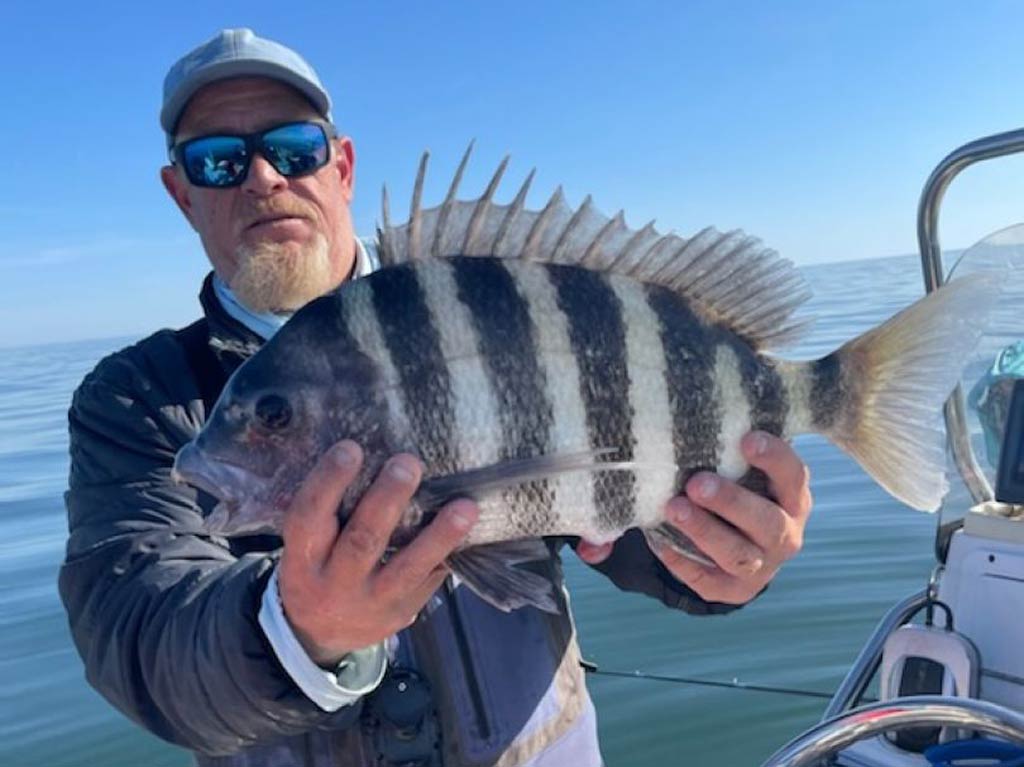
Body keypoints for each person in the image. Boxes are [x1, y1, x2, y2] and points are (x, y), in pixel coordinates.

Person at [59, 28, 813, 767]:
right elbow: (138, 631)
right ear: (181, 193)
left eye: (293, 148)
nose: (263, 179)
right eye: (218, 160)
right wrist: (297, 630)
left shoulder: (483, 302)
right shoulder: (138, 401)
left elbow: (613, 508)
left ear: (342, 167)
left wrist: (719, 554)